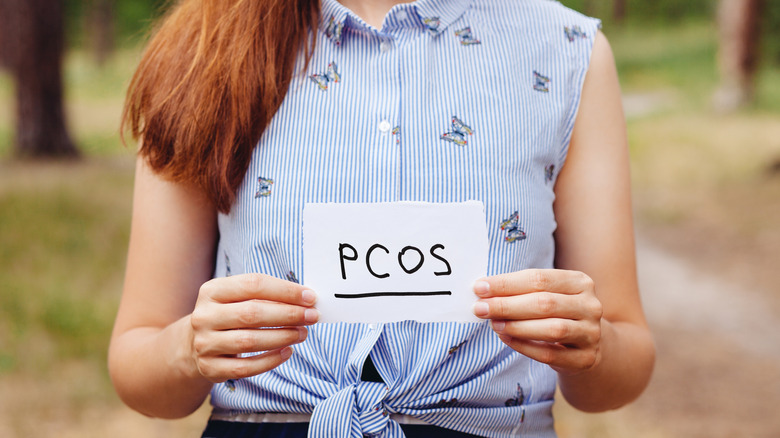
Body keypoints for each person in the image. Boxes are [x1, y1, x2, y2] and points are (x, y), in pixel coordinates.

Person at [109, 0, 656, 437]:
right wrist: (190, 348)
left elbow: (625, 362)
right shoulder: (200, 49)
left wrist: (589, 345)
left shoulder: (567, 51)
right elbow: (139, 368)